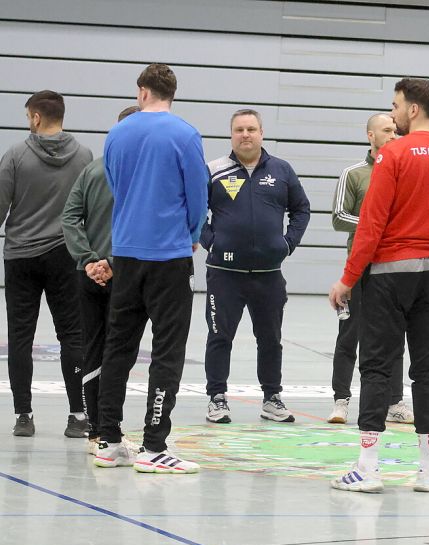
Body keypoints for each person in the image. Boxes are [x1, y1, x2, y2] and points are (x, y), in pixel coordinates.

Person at [327, 78, 429, 493]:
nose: (392, 115)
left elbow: (372, 224)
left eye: (395, 106)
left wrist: (347, 278)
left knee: (376, 365)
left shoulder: (393, 154)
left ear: (412, 109)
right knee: (428, 371)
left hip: (389, 274)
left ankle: (368, 467)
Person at [93, 63, 209, 474]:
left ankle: (107, 439)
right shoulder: (184, 134)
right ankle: (154, 445)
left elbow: (113, 183)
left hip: (126, 253)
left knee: (119, 346)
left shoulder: (117, 133)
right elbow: (198, 193)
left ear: (142, 92)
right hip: (168, 256)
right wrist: (192, 232)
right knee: (167, 351)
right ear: (171, 94)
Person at [200, 109, 311, 424]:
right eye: (239, 130)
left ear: (262, 133)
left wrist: (287, 243)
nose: (245, 135)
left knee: (271, 338)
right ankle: (217, 397)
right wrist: (212, 241)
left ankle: (271, 397)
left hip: (268, 275)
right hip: (224, 275)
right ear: (231, 134)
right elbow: (193, 212)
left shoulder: (281, 170)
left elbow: (301, 209)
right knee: (220, 336)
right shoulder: (213, 170)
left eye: (251, 129)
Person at [0, 90, 91, 438]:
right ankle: (78, 416)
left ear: (36, 118)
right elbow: (89, 208)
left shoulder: (16, 155)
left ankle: (24, 416)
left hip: (21, 255)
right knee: (73, 334)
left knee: (20, 337)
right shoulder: (83, 156)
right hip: (66, 256)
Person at [62, 105, 141, 454]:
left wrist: (89, 260)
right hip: (127, 273)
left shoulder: (91, 170)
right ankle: (111, 428)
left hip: (89, 275)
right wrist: (106, 261)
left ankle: (96, 428)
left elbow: (69, 217)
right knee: (119, 351)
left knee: (94, 347)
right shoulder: (142, 175)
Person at [329, 113, 412, 425]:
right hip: (360, 268)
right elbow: (338, 217)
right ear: (370, 136)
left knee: (394, 337)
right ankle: (341, 400)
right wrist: (375, 228)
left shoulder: (406, 173)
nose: (392, 135)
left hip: (394, 268)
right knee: (350, 335)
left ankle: (395, 402)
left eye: (395, 131)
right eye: (386, 131)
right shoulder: (354, 174)